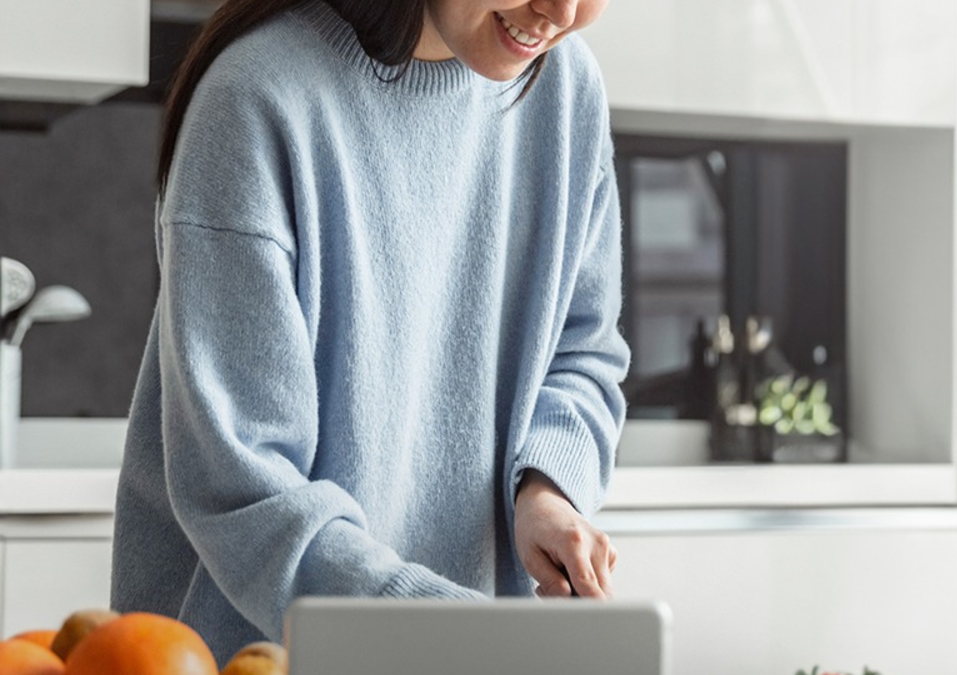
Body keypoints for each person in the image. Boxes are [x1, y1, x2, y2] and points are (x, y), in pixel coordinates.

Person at [110, 0, 628, 663]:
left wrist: (545, 490)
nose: (563, 11)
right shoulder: (257, 97)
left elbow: (582, 352)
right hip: (247, 654)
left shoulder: (566, 90)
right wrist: (465, 630)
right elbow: (246, 489)